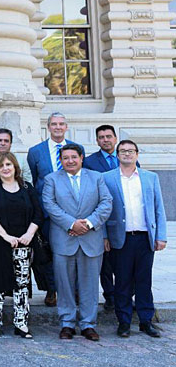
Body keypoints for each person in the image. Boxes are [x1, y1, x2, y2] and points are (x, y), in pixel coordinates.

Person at [42, 144, 112, 341]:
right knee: (64, 284)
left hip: (91, 239)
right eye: (66, 158)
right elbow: (49, 205)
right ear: (61, 160)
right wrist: (71, 223)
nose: (70, 161)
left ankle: (88, 324)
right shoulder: (52, 179)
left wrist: (88, 224)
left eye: (74, 157)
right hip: (64, 239)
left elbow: (106, 203)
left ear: (81, 158)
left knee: (89, 285)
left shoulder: (96, 177)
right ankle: (67, 323)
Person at [103, 140, 168, 338]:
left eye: (130, 151)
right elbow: (103, 210)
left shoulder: (150, 178)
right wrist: (104, 236)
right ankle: (123, 321)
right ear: (118, 155)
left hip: (144, 237)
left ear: (137, 154)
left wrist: (161, 236)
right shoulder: (107, 178)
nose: (127, 154)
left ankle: (146, 321)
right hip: (120, 238)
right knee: (122, 282)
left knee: (144, 280)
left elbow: (159, 208)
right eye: (123, 151)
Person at [27, 113, 84, 307]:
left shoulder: (77, 149)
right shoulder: (36, 152)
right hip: (47, 213)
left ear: (66, 127)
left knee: (74, 251)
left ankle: (75, 289)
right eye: (54, 124)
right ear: (48, 127)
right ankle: (52, 289)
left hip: (73, 212)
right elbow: (35, 182)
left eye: (61, 124)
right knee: (48, 252)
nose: (58, 127)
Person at [0, 153, 42, 339]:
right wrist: (6, 236)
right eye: (1, 166)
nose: (6, 168)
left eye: (9, 164)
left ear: (15, 166)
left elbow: (38, 214)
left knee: (22, 285)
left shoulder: (26, 187)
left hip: (23, 243)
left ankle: (21, 323)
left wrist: (29, 234)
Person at [83, 125, 128, 311]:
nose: (105, 140)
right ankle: (109, 295)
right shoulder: (89, 162)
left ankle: (125, 295)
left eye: (109, 136)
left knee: (125, 259)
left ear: (115, 138)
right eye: (101, 137)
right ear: (97, 141)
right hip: (101, 216)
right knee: (106, 261)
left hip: (124, 215)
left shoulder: (126, 159)